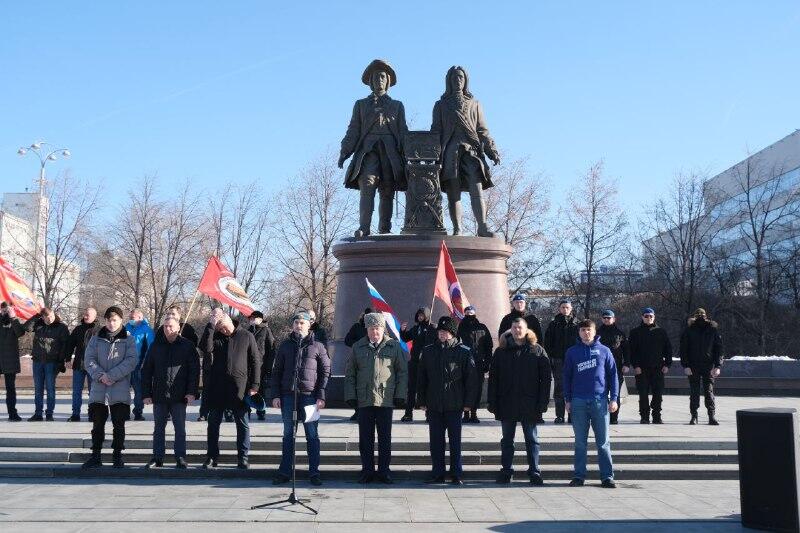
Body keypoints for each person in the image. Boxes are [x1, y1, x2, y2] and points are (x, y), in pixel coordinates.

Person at [339, 59, 408, 238]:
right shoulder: (361, 105)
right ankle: (364, 227)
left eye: (383, 77)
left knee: (387, 188)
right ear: (370, 81)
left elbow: (403, 133)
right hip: (368, 151)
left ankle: (385, 228)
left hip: (390, 152)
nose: (379, 80)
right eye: (376, 77)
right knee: (367, 185)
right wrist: (344, 151)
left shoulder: (397, 106)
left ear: (388, 81)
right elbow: (353, 130)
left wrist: (410, 155)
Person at [431, 65, 500, 237]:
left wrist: (492, 150)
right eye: (454, 78)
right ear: (449, 81)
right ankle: (457, 229)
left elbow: (483, 131)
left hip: (471, 151)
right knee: (453, 192)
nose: (457, 80)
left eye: (460, 77)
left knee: (476, 189)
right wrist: (431, 155)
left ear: (465, 81)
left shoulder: (475, 104)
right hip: (450, 153)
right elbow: (435, 132)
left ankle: (482, 226)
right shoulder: (441, 105)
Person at [345, 312, 408, 484]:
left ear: (383, 329)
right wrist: (351, 396)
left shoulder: (394, 346)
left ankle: (384, 471)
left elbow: (402, 373)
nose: (375, 332)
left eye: (378, 328)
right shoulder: (358, 347)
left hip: (385, 399)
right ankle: (367, 471)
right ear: (367, 330)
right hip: (364, 400)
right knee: (365, 439)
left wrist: (401, 395)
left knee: (385, 439)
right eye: (372, 329)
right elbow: (350, 373)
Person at [488, 317, 551, 485]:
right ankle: (506, 471)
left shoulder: (537, 350)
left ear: (526, 329)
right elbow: (493, 379)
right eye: (514, 327)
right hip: (506, 402)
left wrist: (543, 402)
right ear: (510, 329)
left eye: (520, 327)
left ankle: (534, 472)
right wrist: (492, 402)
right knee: (507, 440)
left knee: (532, 439)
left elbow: (545, 380)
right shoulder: (500, 352)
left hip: (530, 403)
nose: (517, 330)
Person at [271, 311, 331, 486]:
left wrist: (321, 395)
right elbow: (276, 372)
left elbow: (325, 371)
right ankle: (285, 472)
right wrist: (275, 394)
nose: (299, 325)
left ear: (309, 325)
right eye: (296, 322)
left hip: (310, 398)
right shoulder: (285, 346)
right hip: (289, 397)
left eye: (302, 323)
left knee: (312, 435)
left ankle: (314, 472)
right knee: (288, 434)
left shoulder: (318, 346)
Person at [417, 316, 477, 485]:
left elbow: (471, 380)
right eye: (440, 332)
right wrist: (421, 400)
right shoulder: (428, 351)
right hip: (434, 405)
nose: (442, 334)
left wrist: (468, 404)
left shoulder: (464, 351)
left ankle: (456, 473)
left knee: (455, 442)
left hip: (455, 404)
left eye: (445, 332)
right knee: (436, 442)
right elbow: (422, 378)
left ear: (452, 333)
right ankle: (437, 473)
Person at [564, 319, 619, 488]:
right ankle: (579, 476)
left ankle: (607, 477)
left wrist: (614, 398)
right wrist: (567, 399)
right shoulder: (572, 352)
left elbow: (613, 376)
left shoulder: (605, 351)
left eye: (589, 330)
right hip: (578, 401)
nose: (586, 332)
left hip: (599, 401)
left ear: (595, 332)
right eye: (583, 330)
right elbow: (566, 377)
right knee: (580, 442)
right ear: (579, 332)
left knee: (603, 442)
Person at [202, 313, 261, 470]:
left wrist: (255, 386)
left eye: (225, 327)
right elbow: (206, 348)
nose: (223, 331)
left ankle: (243, 457)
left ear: (230, 321)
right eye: (220, 328)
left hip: (239, 388)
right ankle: (211, 457)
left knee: (242, 423)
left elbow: (256, 361)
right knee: (213, 423)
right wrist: (211, 327)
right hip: (217, 387)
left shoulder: (246, 336)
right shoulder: (215, 335)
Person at [82, 306, 138, 468]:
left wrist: (111, 375)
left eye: (115, 320)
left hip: (119, 388)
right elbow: (89, 360)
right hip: (99, 389)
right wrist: (101, 375)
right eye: (108, 320)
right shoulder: (95, 338)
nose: (111, 323)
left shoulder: (128, 339)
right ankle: (96, 455)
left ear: (121, 320)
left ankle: (117, 455)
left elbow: (131, 361)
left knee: (118, 424)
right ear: (105, 321)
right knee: (97, 425)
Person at [142, 316, 200, 469]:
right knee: (158, 428)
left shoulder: (187, 346)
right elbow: (147, 370)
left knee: (180, 428)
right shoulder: (156, 346)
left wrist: (191, 392)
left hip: (180, 395)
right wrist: (146, 394)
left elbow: (194, 371)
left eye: (171, 326)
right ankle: (157, 457)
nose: (168, 329)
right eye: (166, 326)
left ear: (178, 328)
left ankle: (180, 457)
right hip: (159, 394)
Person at [24, 307, 70, 421]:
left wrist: (61, 361)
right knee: (38, 389)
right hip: (38, 361)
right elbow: (26, 327)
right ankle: (38, 413)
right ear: (43, 317)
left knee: (50, 388)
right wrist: (36, 317)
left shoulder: (61, 327)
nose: (50, 319)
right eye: (47, 317)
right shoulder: (38, 325)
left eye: (51, 316)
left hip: (52, 362)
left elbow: (65, 345)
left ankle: (49, 413)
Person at [628, 307, 672, 424]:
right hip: (641, 369)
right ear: (642, 317)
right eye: (646, 316)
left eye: (651, 316)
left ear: (654, 317)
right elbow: (631, 352)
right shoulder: (635, 332)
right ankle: (644, 416)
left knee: (658, 394)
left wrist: (667, 364)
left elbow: (668, 349)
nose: (648, 318)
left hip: (658, 368)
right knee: (643, 394)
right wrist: (635, 366)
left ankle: (657, 416)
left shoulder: (661, 332)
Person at [679, 308, 723, 426]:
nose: (700, 317)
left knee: (709, 391)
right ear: (694, 317)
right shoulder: (688, 331)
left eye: (702, 315)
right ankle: (694, 416)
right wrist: (686, 365)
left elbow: (719, 349)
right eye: (698, 315)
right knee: (694, 392)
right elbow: (683, 350)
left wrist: (718, 365)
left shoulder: (713, 330)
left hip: (708, 366)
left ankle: (711, 416)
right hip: (693, 366)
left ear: (706, 316)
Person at [399, 307, 437, 422]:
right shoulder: (416, 328)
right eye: (419, 315)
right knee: (411, 389)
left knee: (427, 388)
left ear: (427, 316)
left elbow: (435, 343)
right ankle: (408, 413)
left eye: (422, 315)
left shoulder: (433, 328)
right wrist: (403, 331)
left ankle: (428, 414)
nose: (420, 317)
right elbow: (406, 338)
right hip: (415, 362)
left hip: (427, 363)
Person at [457, 305, 493, 423]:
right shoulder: (460, 328)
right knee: (464, 387)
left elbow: (489, 346)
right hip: (464, 363)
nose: (469, 315)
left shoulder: (482, 328)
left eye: (471, 313)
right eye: (467, 313)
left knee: (477, 388)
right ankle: (466, 413)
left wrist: (487, 362)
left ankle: (474, 413)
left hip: (479, 363)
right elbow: (456, 345)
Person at [543, 300, 577, 423]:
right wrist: (550, 358)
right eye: (563, 307)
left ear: (571, 308)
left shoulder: (577, 324)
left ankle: (572, 415)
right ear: (559, 309)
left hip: (574, 361)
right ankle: (560, 415)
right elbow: (547, 343)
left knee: (573, 388)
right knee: (559, 389)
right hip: (558, 360)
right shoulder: (553, 324)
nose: (565, 309)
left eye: (567, 307)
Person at [65, 307, 98, 422]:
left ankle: (93, 414)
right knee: (76, 391)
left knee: (93, 391)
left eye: (88, 315)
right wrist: (67, 359)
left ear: (94, 316)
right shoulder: (78, 329)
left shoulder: (99, 330)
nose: (85, 316)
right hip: (79, 364)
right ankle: (75, 414)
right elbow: (70, 344)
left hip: (94, 366)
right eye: (85, 314)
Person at [596, 310, 629, 425]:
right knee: (600, 393)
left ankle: (614, 418)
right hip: (599, 369)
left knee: (616, 394)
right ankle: (600, 416)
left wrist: (626, 364)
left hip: (616, 368)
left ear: (614, 319)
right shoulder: (597, 333)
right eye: (604, 318)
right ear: (602, 319)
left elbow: (626, 350)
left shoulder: (620, 334)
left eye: (609, 318)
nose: (606, 319)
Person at [344, 307, 373, 422]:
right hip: (358, 359)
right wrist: (358, 346)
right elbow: (347, 340)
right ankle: (358, 411)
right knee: (357, 385)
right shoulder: (357, 327)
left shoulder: (378, 328)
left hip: (373, 360)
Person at [125, 308, 155, 421]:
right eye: (129, 318)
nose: (130, 320)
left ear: (140, 318)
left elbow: (150, 348)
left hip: (139, 365)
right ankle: (124, 411)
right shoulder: (125, 328)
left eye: (132, 318)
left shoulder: (146, 330)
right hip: (125, 365)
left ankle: (138, 411)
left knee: (139, 391)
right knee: (123, 390)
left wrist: (145, 363)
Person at [247, 310, 276, 421]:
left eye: (254, 318)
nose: (251, 320)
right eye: (250, 318)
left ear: (260, 319)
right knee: (248, 389)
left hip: (261, 366)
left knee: (260, 389)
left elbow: (271, 350)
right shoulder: (248, 331)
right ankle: (247, 410)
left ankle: (261, 411)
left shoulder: (266, 330)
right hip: (248, 365)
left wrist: (268, 367)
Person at [197, 307, 224, 422]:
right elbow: (204, 346)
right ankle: (204, 413)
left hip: (222, 366)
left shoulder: (225, 328)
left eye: (216, 315)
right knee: (206, 392)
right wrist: (211, 328)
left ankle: (228, 412)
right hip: (209, 366)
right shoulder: (209, 328)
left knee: (224, 391)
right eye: (212, 315)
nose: (214, 317)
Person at [0, 303, 25, 421]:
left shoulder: (14, 320)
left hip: (10, 359)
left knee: (10, 388)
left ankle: (12, 413)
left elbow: (20, 333)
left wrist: (13, 317)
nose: (6, 310)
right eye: (3, 308)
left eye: (8, 308)